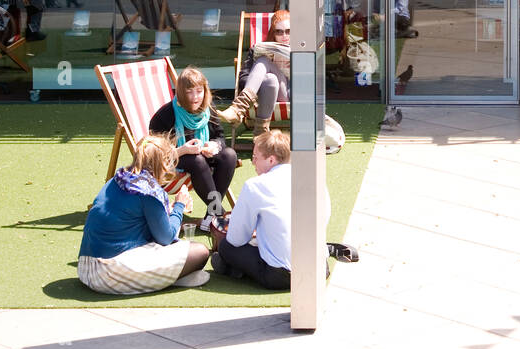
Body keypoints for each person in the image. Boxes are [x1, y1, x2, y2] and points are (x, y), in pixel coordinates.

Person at [209, 129, 358, 286]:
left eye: (255, 158)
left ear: (271, 160)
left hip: (280, 276)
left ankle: (234, 271)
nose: (252, 162)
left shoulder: (255, 186)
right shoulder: (312, 177)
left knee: (226, 246)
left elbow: (236, 239)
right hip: (320, 269)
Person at [77, 134, 211, 294]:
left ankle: (167, 278)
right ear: (162, 163)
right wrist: (179, 206)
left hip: (85, 268)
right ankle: (169, 279)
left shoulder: (118, 178)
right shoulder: (148, 192)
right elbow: (166, 238)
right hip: (110, 274)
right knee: (200, 251)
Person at [149, 66, 238, 228]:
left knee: (229, 155)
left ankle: (210, 216)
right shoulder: (166, 115)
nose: (195, 97)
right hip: (172, 162)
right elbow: (154, 153)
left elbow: (220, 137)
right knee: (196, 160)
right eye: (189, 92)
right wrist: (183, 150)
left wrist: (214, 145)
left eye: (199, 91)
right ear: (181, 93)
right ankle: (218, 213)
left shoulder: (208, 109)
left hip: (203, 159)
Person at [218, 9, 290, 137]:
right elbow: (243, 77)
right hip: (263, 93)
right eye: (279, 32)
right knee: (270, 79)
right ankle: (260, 134)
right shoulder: (260, 49)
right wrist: (259, 81)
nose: (284, 36)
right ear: (273, 33)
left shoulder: (301, 51)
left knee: (264, 61)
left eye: (288, 31)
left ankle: (238, 109)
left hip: (287, 95)